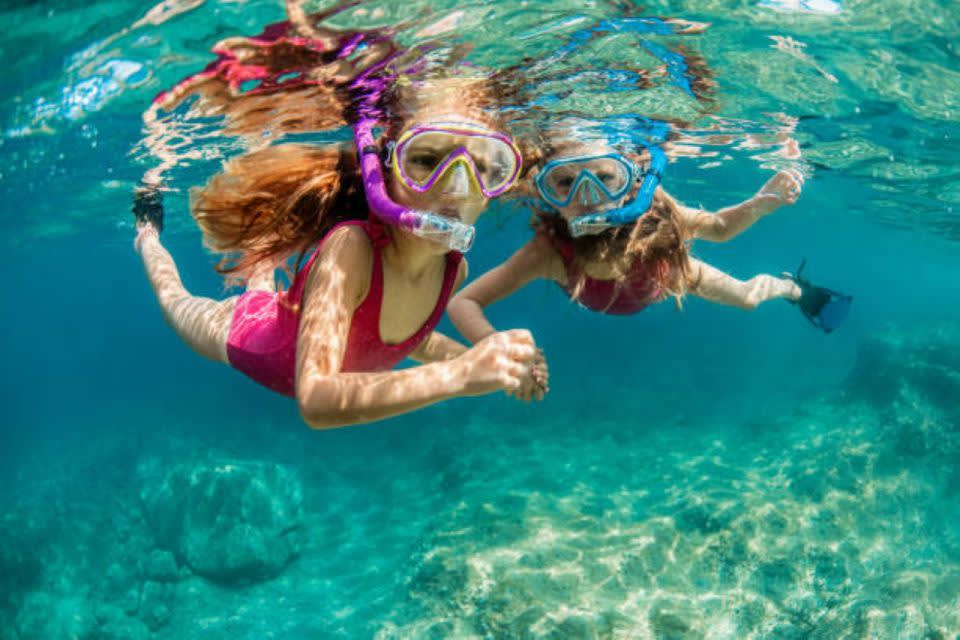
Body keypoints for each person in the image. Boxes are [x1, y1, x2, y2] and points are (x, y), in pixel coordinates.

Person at [134, 74, 543, 429]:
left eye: (484, 168)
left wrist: (493, 362)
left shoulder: (455, 269)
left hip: (286, 317)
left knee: (267, 290)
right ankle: (147, 233)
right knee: (174, 300)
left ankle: (264, 260)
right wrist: (461, 374)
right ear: (386, 172)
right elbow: (317, 398)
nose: (456, 187)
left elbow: (407, 339)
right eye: (425, 159)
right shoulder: (352, 247)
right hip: (247, 336)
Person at [448, 132, 851, 399]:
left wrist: (759, 204)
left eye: (605, 177)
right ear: (545, 191)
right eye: (565, 183)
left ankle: (792, 288)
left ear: (630, 181)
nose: (588, 196)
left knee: (747, 298)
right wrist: (498, 349)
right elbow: (464, 302)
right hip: (611, 294)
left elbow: (718, 227)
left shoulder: (653, 207)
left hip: (672, 276)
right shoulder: (549, 252)